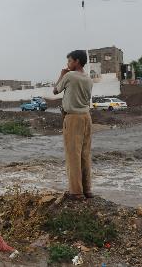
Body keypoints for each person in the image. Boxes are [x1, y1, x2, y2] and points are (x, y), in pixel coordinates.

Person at [53, 50, 94, 200]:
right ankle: (87, 189)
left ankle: (76, 192)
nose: (68, 64)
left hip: (73, 118)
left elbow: (55, 90)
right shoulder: (88, 79)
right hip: (86, 117)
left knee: (73, 155)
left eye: (69, 61)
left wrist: (62, 74)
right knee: (84, 154)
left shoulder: (69, 76)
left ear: (76, 61)